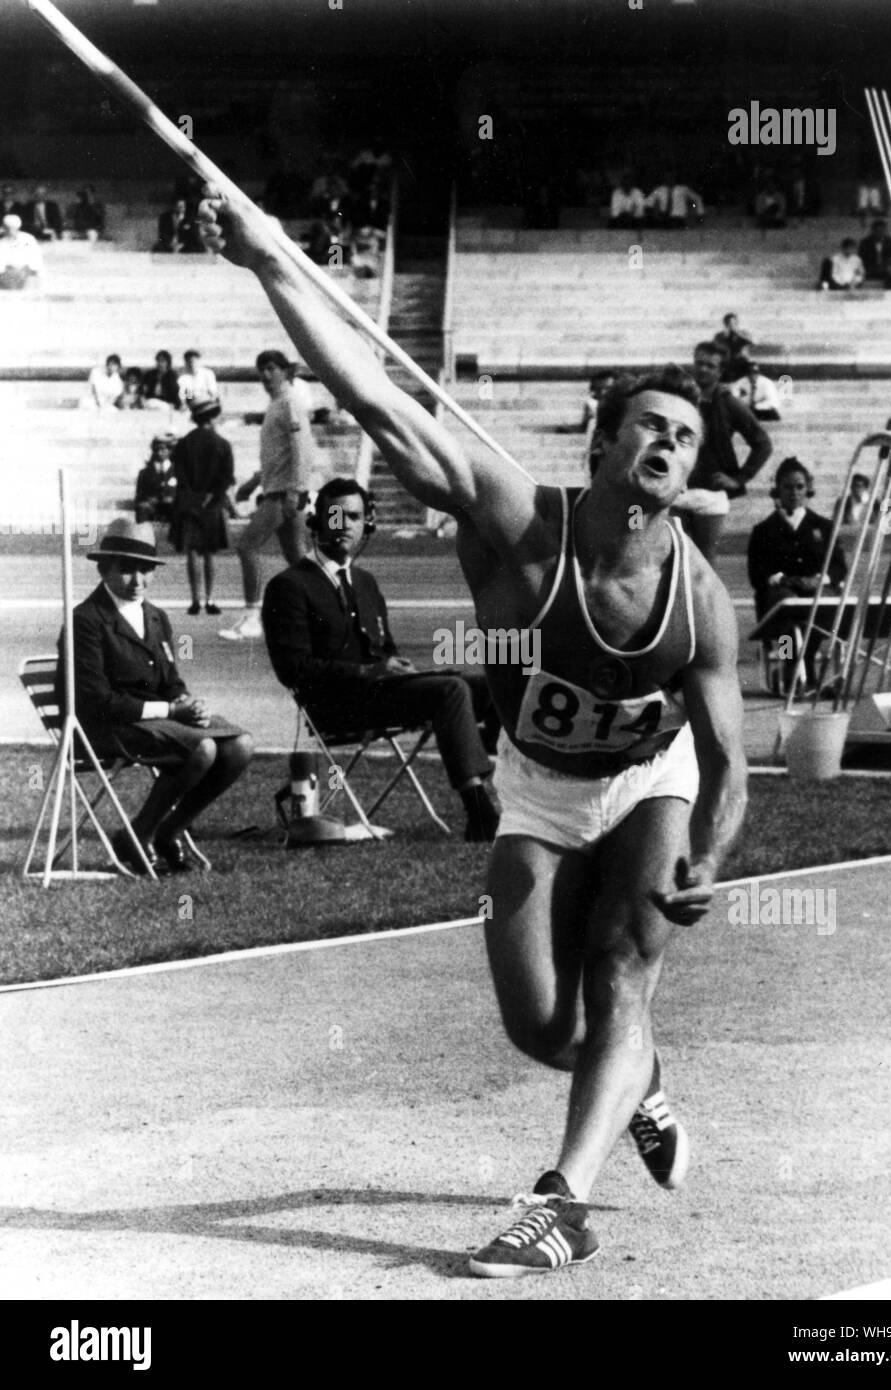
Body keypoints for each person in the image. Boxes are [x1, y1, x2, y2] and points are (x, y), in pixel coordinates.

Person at [200, 194, 748, 1279]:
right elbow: (375, 400)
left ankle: (560, 1204)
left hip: (649, 786)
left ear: (688, 474)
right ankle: (634, 1082)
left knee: (622, 970)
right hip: (536, 793)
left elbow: (727, 762)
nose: (668, 444)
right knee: (543, 1030)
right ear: (602, 442)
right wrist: (269, 261)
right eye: (649, 423)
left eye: (684, 438)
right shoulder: (516, 527)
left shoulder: (701, 604)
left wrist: (713, 855)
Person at [263, 479, 501, 840]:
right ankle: (479, 811)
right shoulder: (290, 585)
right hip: (334, 705)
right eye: (335, 515)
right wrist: (370, 670)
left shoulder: (366, 582)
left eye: (354, 517)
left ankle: (514, 788)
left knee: (492, 685)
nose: (344, 525)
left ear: (367, 525)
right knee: (450, 691)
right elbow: (293, 670)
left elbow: (384, 649)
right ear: (316, 523)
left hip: (380, 694)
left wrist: (397, 665)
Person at [57, 518, 254, 874]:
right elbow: (95, 700)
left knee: (240, 745)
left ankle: (168, 831)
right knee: (202, 747)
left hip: (157, 722)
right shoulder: (86, 620)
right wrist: (170, 710)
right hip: (105, 728)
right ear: (104, 569)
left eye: (146, 570)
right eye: (127, 570)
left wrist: (187, 703)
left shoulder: (156, 616)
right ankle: (138, 835)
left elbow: (170, 680)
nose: (138, 581)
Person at [219, 348, 315, 641]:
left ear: (285, 371)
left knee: (247, 545)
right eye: (261, 369)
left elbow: (302, 450)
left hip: (285, 491)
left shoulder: (289, 403)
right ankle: (326, 609)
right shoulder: (276, 404)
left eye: (271, 368)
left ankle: (252, 616)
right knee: (297, 556)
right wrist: (253, 482)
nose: (265, 374)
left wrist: (295, 490)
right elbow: (279, 453)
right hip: (278, 487)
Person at [747, 458, 847, 690]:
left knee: (823, 600)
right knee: (785, 606)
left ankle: (808, 659)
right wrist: (781, 579)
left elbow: (839, 566)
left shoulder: (824, 526)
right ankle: (789, 661)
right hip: (779, 594)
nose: (794, 493)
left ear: (808, 488)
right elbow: (756, 573)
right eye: (788, 487)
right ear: (778, 490)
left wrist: (822, 578)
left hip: (815, 590)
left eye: (799, 487)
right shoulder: (763, 531)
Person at [674, 341, 772, 565]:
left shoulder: (729, 403)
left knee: (705, 561)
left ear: (720, 371)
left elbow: (763, 443)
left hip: (710, 493)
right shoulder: (680, 400)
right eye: (699, 363)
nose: (703, 369)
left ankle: (706, 601)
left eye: (710, 365)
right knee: (674, 555)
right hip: (677, 490)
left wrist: (739, 479)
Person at [169, 400, 235, 615]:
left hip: (188, 502)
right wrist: (210, 496)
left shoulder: (183, 443)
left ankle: (195, 599)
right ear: (211, 418)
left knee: (192, 552)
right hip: (212, 504)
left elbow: (178, 474)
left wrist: (193, 496)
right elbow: (226, 478)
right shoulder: (222, 444)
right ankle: (210, 599)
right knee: (209, 553)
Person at [134, 434, 177, 525]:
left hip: (171, 506)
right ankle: (144, 535)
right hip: (152, 506)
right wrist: (147, 500)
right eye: (156, 449)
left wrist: (172, 498)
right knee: (142, 508)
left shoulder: (177, 471)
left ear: (170, 451)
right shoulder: (145, 473)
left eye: (163, 449)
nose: (159, 452)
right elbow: (139, 496)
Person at [0, 213, 42, 290]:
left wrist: (26, 271)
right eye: (7, 228)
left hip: (27, 273)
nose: (10, 231)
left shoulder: (28, 239)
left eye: (12, 228)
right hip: (7, 276)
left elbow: (36, 260)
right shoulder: (2, 243)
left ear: (18, 228)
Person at [713, 313, 754, 381]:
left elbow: (751, 343)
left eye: (733, 324)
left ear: (737, 323)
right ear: (725, 324)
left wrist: (738, 334)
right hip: (727, 364)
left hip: (742, 363)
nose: (731, 326)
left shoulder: (744, 333)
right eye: (728, 324)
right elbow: (715, 348)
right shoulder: (720, 336)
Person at [858, 218, 891, 282]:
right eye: (877, 231)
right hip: (870, 269)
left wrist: (890, 264)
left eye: (881, 231)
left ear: (885, 230)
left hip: (887, 269)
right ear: (873, 231)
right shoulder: (865, 243)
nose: (879, 233)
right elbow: (861, 258)